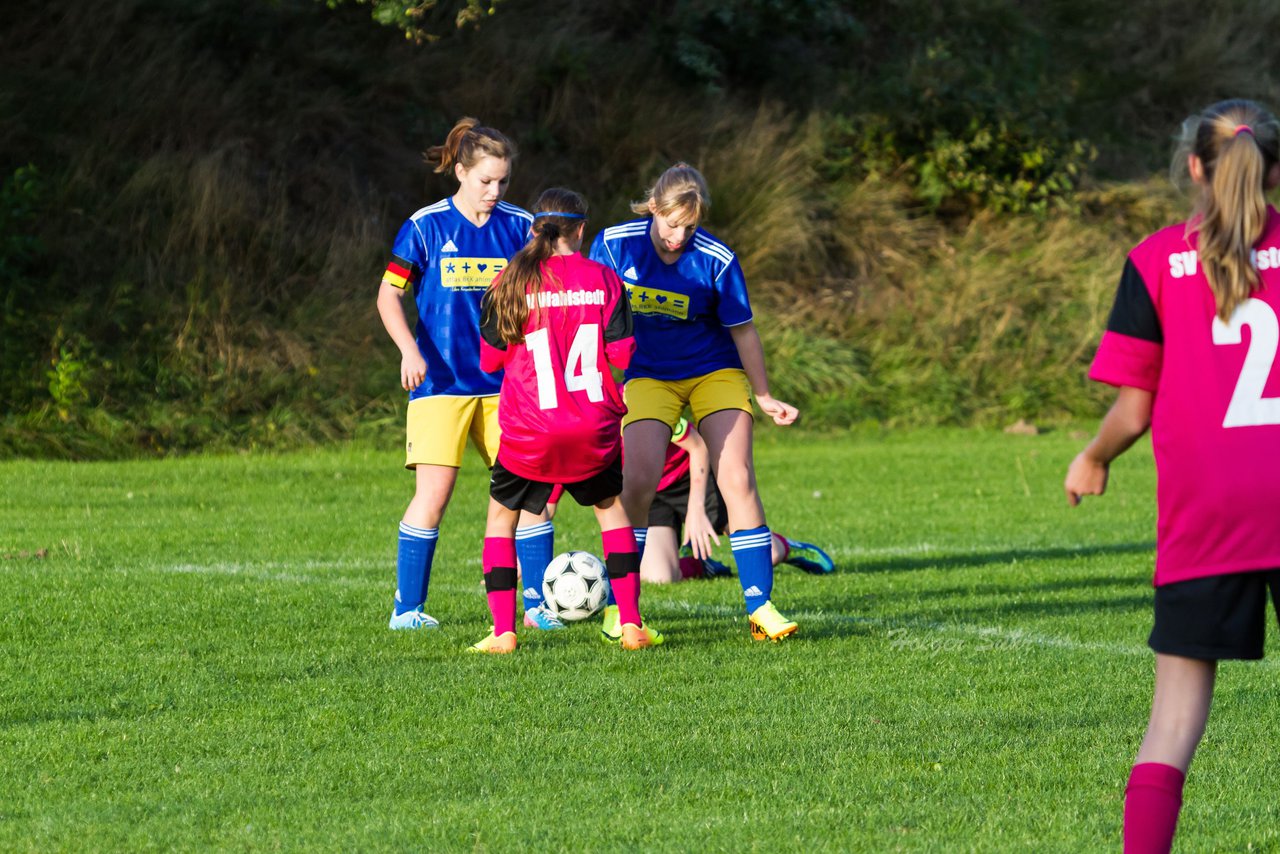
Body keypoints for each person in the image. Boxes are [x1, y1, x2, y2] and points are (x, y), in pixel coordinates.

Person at [1064, 99, 1280, 853]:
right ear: (1272, 170)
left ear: (1194, 166)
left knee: (1175, 717)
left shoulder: (1157, 259)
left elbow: (1133, 409)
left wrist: (1093, 457)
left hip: (1207, 510)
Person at [588, 162, 801, 642]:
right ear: (653, 208)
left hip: (714, 373)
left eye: (689, 226)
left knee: (737, 478)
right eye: (670, 223)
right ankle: (623, 613)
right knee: (637, 483)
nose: (678, 236)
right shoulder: (613, 244)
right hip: (648, 376)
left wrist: (763, 395)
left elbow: (743, 332)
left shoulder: (716, 259)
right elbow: (592, 314)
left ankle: (761, 609)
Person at [471, 187, 661, 653]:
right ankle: (631, 624)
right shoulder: (604, 279)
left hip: (529, 428)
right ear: (581, 229)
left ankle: (503, 632)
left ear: (535, 229)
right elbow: (620, 354)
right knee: (611, 512)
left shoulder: (509, 282)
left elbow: (489, 361)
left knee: (502, 518)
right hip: (591, 426)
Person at [376, 117, 536, 631]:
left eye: (503, 182)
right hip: (440, 383)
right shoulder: (425, 227)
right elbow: (388, 295)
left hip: (506, 385)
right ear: (461, 172)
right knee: (434, 495)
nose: (495, 191)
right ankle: (408, 610)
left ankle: (536, 608)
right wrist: (408, 350)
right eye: (486, 180)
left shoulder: (520, 228)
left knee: (528, 495)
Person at [641, 417, 835, 584]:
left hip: (689, 477)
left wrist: (696, 507)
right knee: (659, 577)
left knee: (768, 555)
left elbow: (698, 446)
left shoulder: (635, 400)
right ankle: (700, 563)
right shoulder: (611, 415)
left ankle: (786, 547)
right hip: (650, 489)